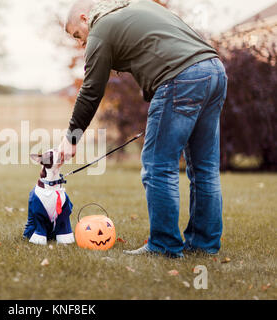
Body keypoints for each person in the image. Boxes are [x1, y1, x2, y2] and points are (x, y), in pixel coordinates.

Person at [58, 0, 228, 258]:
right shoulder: (139, 7)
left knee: (159, 166)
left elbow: (91, 90)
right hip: (213, 71)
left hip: (181, 77)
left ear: (84, 18)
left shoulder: (101, 27)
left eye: (79, 36)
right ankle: (204, 245)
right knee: (204, 168)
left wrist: (71, 138)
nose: (82, 44)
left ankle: (164, 246)